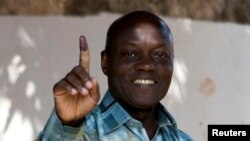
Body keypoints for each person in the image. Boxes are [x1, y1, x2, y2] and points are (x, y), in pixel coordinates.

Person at [36, 11, 193, 141]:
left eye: (160, 55)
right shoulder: (77, 133)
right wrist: (68, 125)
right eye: (130, 53)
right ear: (106, 63)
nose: (146, 65)